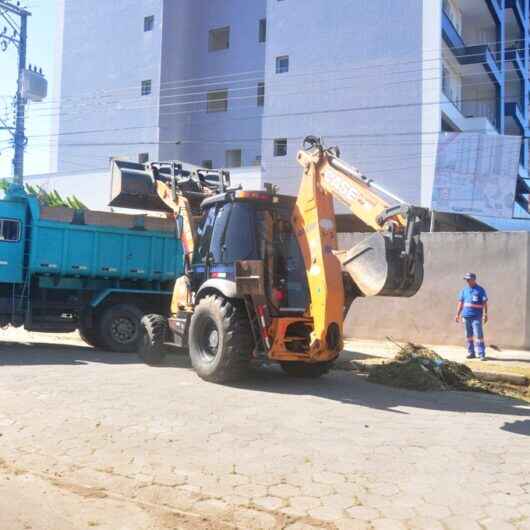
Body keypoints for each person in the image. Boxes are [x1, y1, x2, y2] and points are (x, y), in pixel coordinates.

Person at [455, 273, 488, 360]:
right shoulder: (464, 290)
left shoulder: (480, 290)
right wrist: (457, 314)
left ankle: (481, 354)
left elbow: (485, 303)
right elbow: (460, 303)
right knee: (468, 335)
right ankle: (471, 353)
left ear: (474, 279)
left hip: (476, 317)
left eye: (469, 279)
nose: (467, 281)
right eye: (466, 280)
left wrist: (485, 314)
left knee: (479, 335)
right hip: (466, 316)